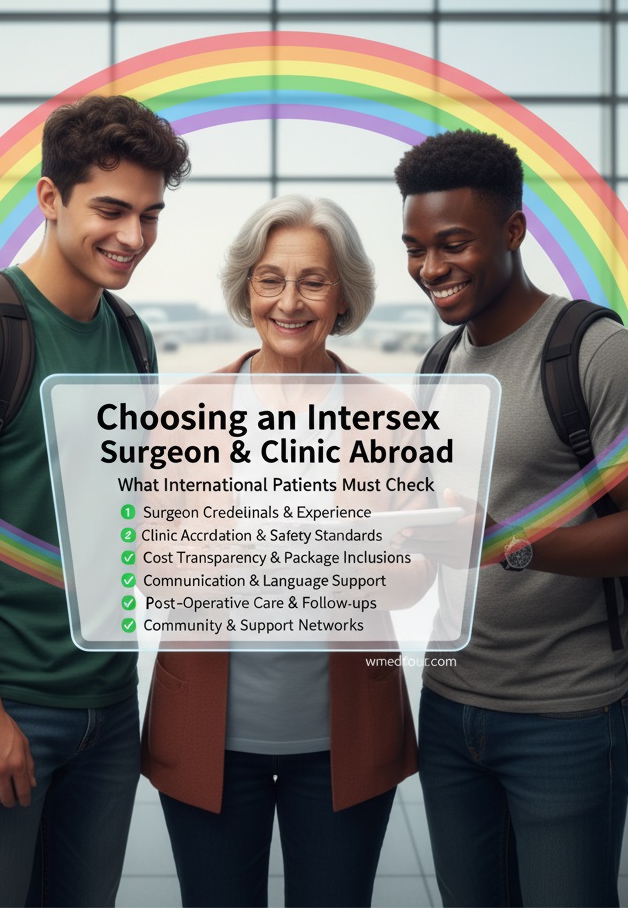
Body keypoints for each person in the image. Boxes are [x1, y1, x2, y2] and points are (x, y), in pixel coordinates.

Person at [0, 95, 190, 907]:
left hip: (104, 701)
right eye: (112, 209)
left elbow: (128, 509)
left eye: (152, 214)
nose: (134, 237)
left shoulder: (131, 336)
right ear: (50, 199)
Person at [395, 130, 628, 907]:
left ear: (514, 232)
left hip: (567, 712)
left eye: (453, 244)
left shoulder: (598, 353)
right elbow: (444, 536)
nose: (431, 269)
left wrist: (513, 546)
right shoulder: (435, 368)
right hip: (452, 702)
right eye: (416, 248)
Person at [140, 194, 421, 908]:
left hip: (343, 738)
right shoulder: (184, 410)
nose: (289, 302)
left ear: (344, 294)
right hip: (208, 734)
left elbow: (415, 578)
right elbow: (146, 563)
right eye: (270, 279)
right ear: (247, 289)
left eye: (313, 281)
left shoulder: (391, 417)